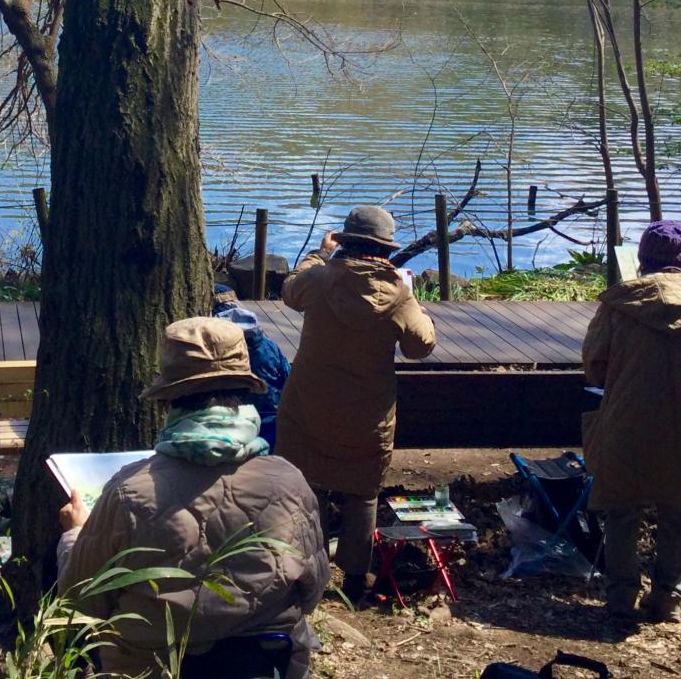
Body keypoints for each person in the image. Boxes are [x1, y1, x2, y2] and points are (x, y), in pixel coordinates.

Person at [57, 317, 327, 679]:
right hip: (267, 666)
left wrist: (74, 535)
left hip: (151, 671)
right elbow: (312, 592)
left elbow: (81, 600)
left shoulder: (128, 492)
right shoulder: (289, 482)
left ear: (170, 400)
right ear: (244, 394)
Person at [275, 205, 436, 602]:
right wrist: (421, 309)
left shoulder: (319, 278)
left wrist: (319, 253)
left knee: (308, 487)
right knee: (362, 493)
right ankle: (354, 579)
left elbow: (289, 291)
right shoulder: (398, 293)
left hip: (309, 402)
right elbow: (421, 346)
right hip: (368, 410)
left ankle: (300, 573)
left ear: (345, 242)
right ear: (384, 249)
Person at [582, 221, 681, 626]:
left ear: (642, 261)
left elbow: (595, 366)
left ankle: (620, 598)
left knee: (622, 509)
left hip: (627, 419)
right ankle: (667, 598)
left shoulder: (618, 304)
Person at [214, 285, 290, 450]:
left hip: (236, 431)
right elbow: (288, 379)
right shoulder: (270, 347)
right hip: (273, 425)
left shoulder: (219, 352)